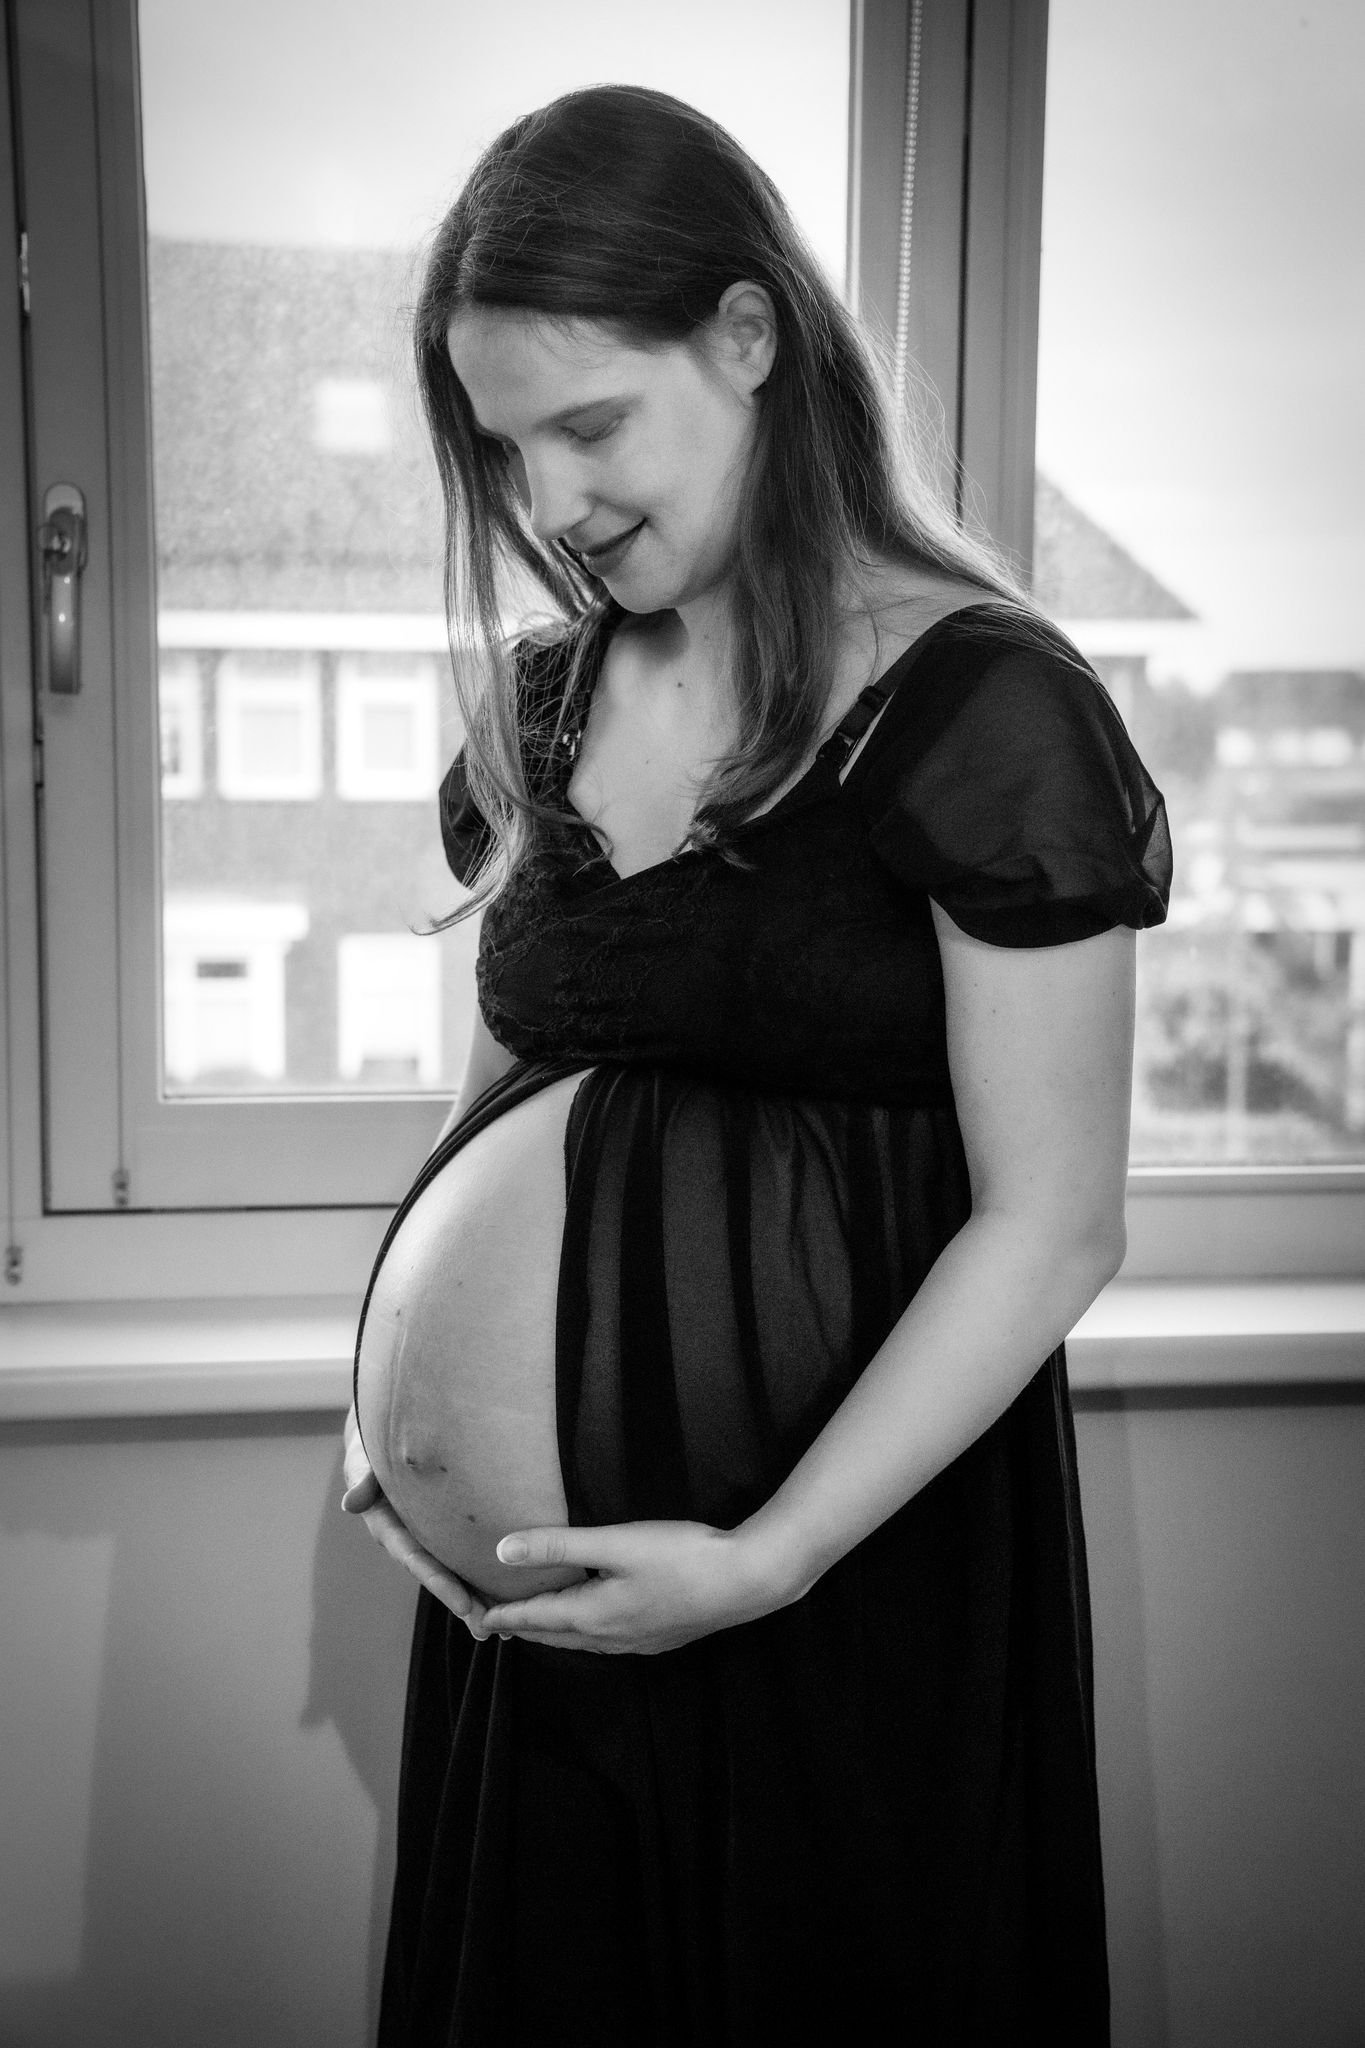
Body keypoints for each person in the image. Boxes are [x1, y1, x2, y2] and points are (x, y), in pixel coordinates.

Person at [342, 82, 1171, 2046]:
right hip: (542, 1606)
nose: (547, 502)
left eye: (588, 425)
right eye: (502, 447)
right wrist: (402, 1421)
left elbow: (1053, 1225)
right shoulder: (546, 707)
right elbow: (502, 1109)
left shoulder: (979, 704)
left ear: (744, 335)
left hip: (840, 1574)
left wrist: (764, 1558)